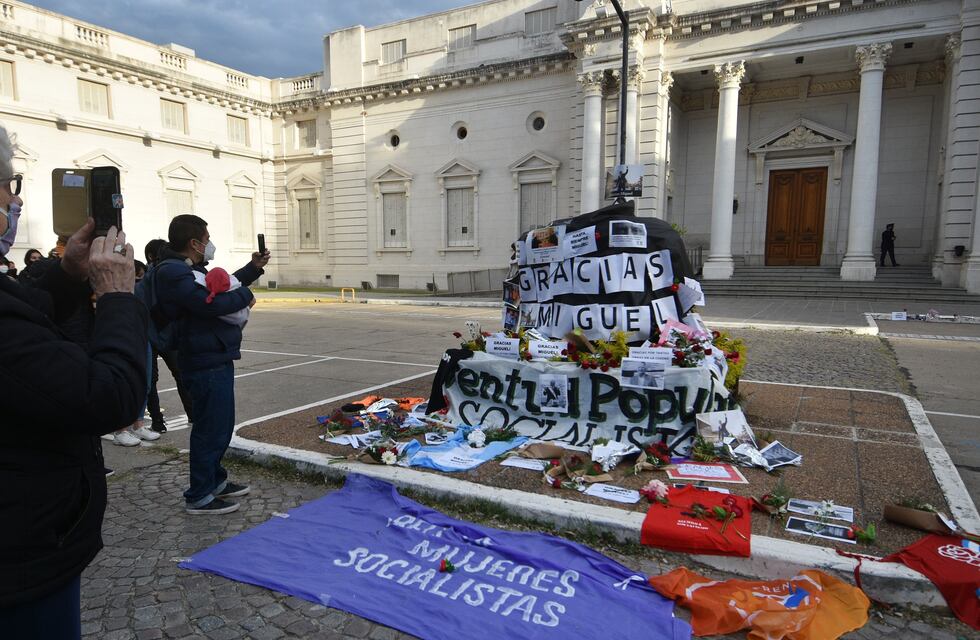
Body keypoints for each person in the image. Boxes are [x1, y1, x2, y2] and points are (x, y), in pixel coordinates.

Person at [0, 125, 148, 638]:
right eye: (8, 186)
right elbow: (109, 396)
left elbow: (26, 312)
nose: (14, 201)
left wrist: (66, 273)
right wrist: (117, 297)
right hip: (23, 559)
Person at [156, 214, 269, 514]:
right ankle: (199, 494)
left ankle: (214, 480)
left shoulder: (189, 269)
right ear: (194, 243)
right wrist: (245, 295)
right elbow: (212, 304)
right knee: (210, 428)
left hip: (214, 354)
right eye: (206, 239)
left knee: (220, 425)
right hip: (202, 359)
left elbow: (221, 286)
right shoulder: (173, 272)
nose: (210, 244)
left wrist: (252, 268)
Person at [139, 238, 194, 433]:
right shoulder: (153, 275)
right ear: (152, 256)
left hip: (163, 332)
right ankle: (158, 420)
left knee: (175, 374)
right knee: (153, 379)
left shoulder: (162, 273)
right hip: (154, 334)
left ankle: (187, 415)